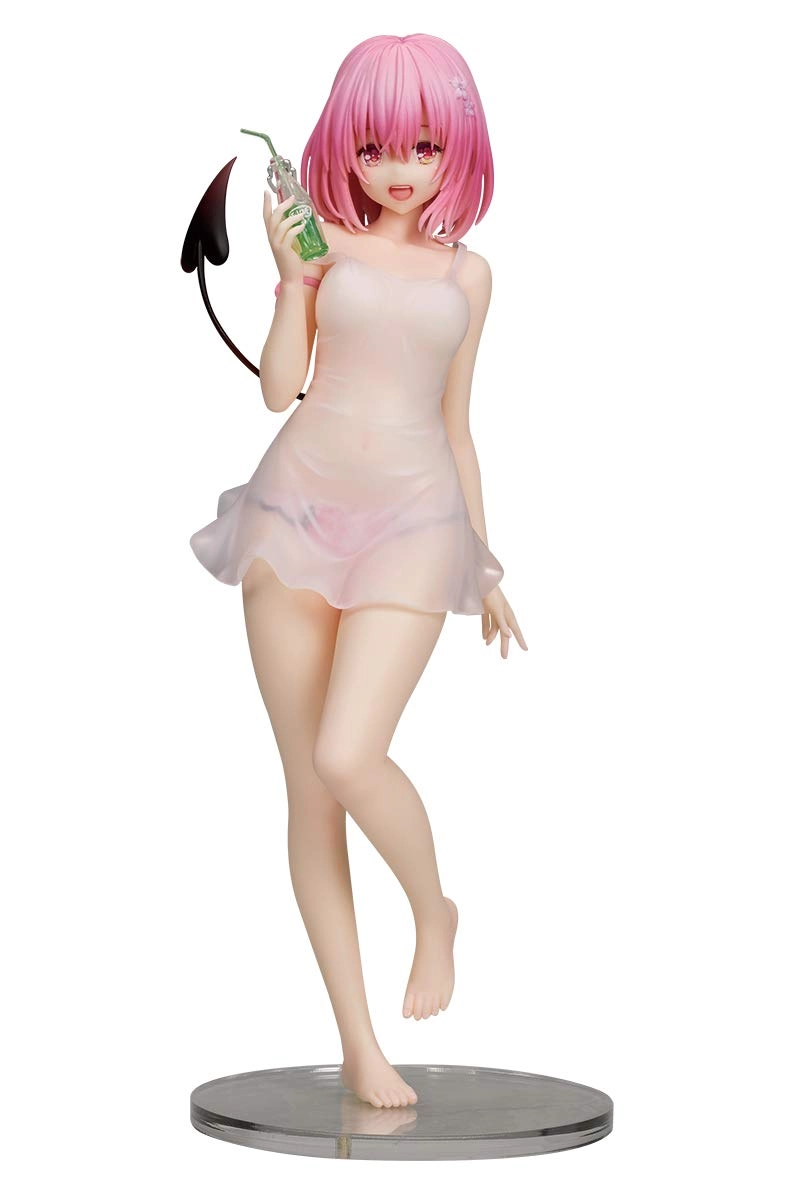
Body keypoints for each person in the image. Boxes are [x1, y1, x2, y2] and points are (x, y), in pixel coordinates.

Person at [190, 32, 527, 1109]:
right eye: (377, 145)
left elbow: (458, 426)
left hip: (414, 523)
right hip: (294, 512)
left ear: (456, 147)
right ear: (346, 144)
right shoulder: (320, 241)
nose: (400, 168)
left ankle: (433, 909)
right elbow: (276, 388)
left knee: (350, 752)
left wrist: (483, 561)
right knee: (310, 785)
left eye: (423, 144)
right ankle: (357, 1044)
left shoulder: (469, 273)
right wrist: (293, 279)